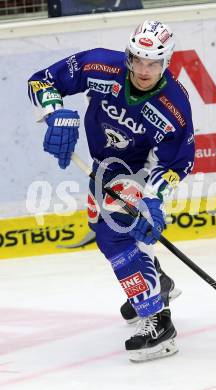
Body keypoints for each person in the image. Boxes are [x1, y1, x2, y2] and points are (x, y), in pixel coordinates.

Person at [27, 20, 195, 362]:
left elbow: (177, 164)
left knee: (114, 234)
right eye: (138, 60)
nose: (144, 70)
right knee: (102, 227)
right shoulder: (101, 64)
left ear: (166, 62)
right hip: (103, 165)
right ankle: (157, 280)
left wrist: (152, 200)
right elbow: (41, 80)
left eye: (154, 63)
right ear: (128, 55)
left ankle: (159, 322)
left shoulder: (174, 105)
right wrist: (56, 113)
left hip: (139, 171)